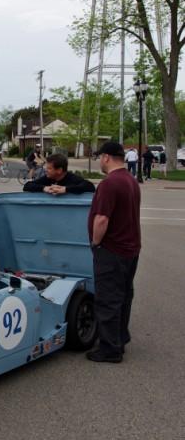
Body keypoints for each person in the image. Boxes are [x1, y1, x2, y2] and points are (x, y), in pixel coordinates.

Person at [87, 141, 141, 363]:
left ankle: (109, 349)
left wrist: (95, 243)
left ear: (107, 157)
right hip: (130, 248)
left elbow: (101, 219)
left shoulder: (109, 183)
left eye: (101, 157)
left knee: (108, 299)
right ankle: (119, 338)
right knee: (123, 296)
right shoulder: (130, 180)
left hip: (112, 250)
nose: (100, 161)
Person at [23, 153, 95, 195]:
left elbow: (90, 186)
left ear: (59, 170)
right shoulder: (47, 178)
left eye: (49, 168)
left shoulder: (72, 178)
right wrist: (44, 188)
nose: (46, 170)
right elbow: (27, 186)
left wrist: (65, 189)